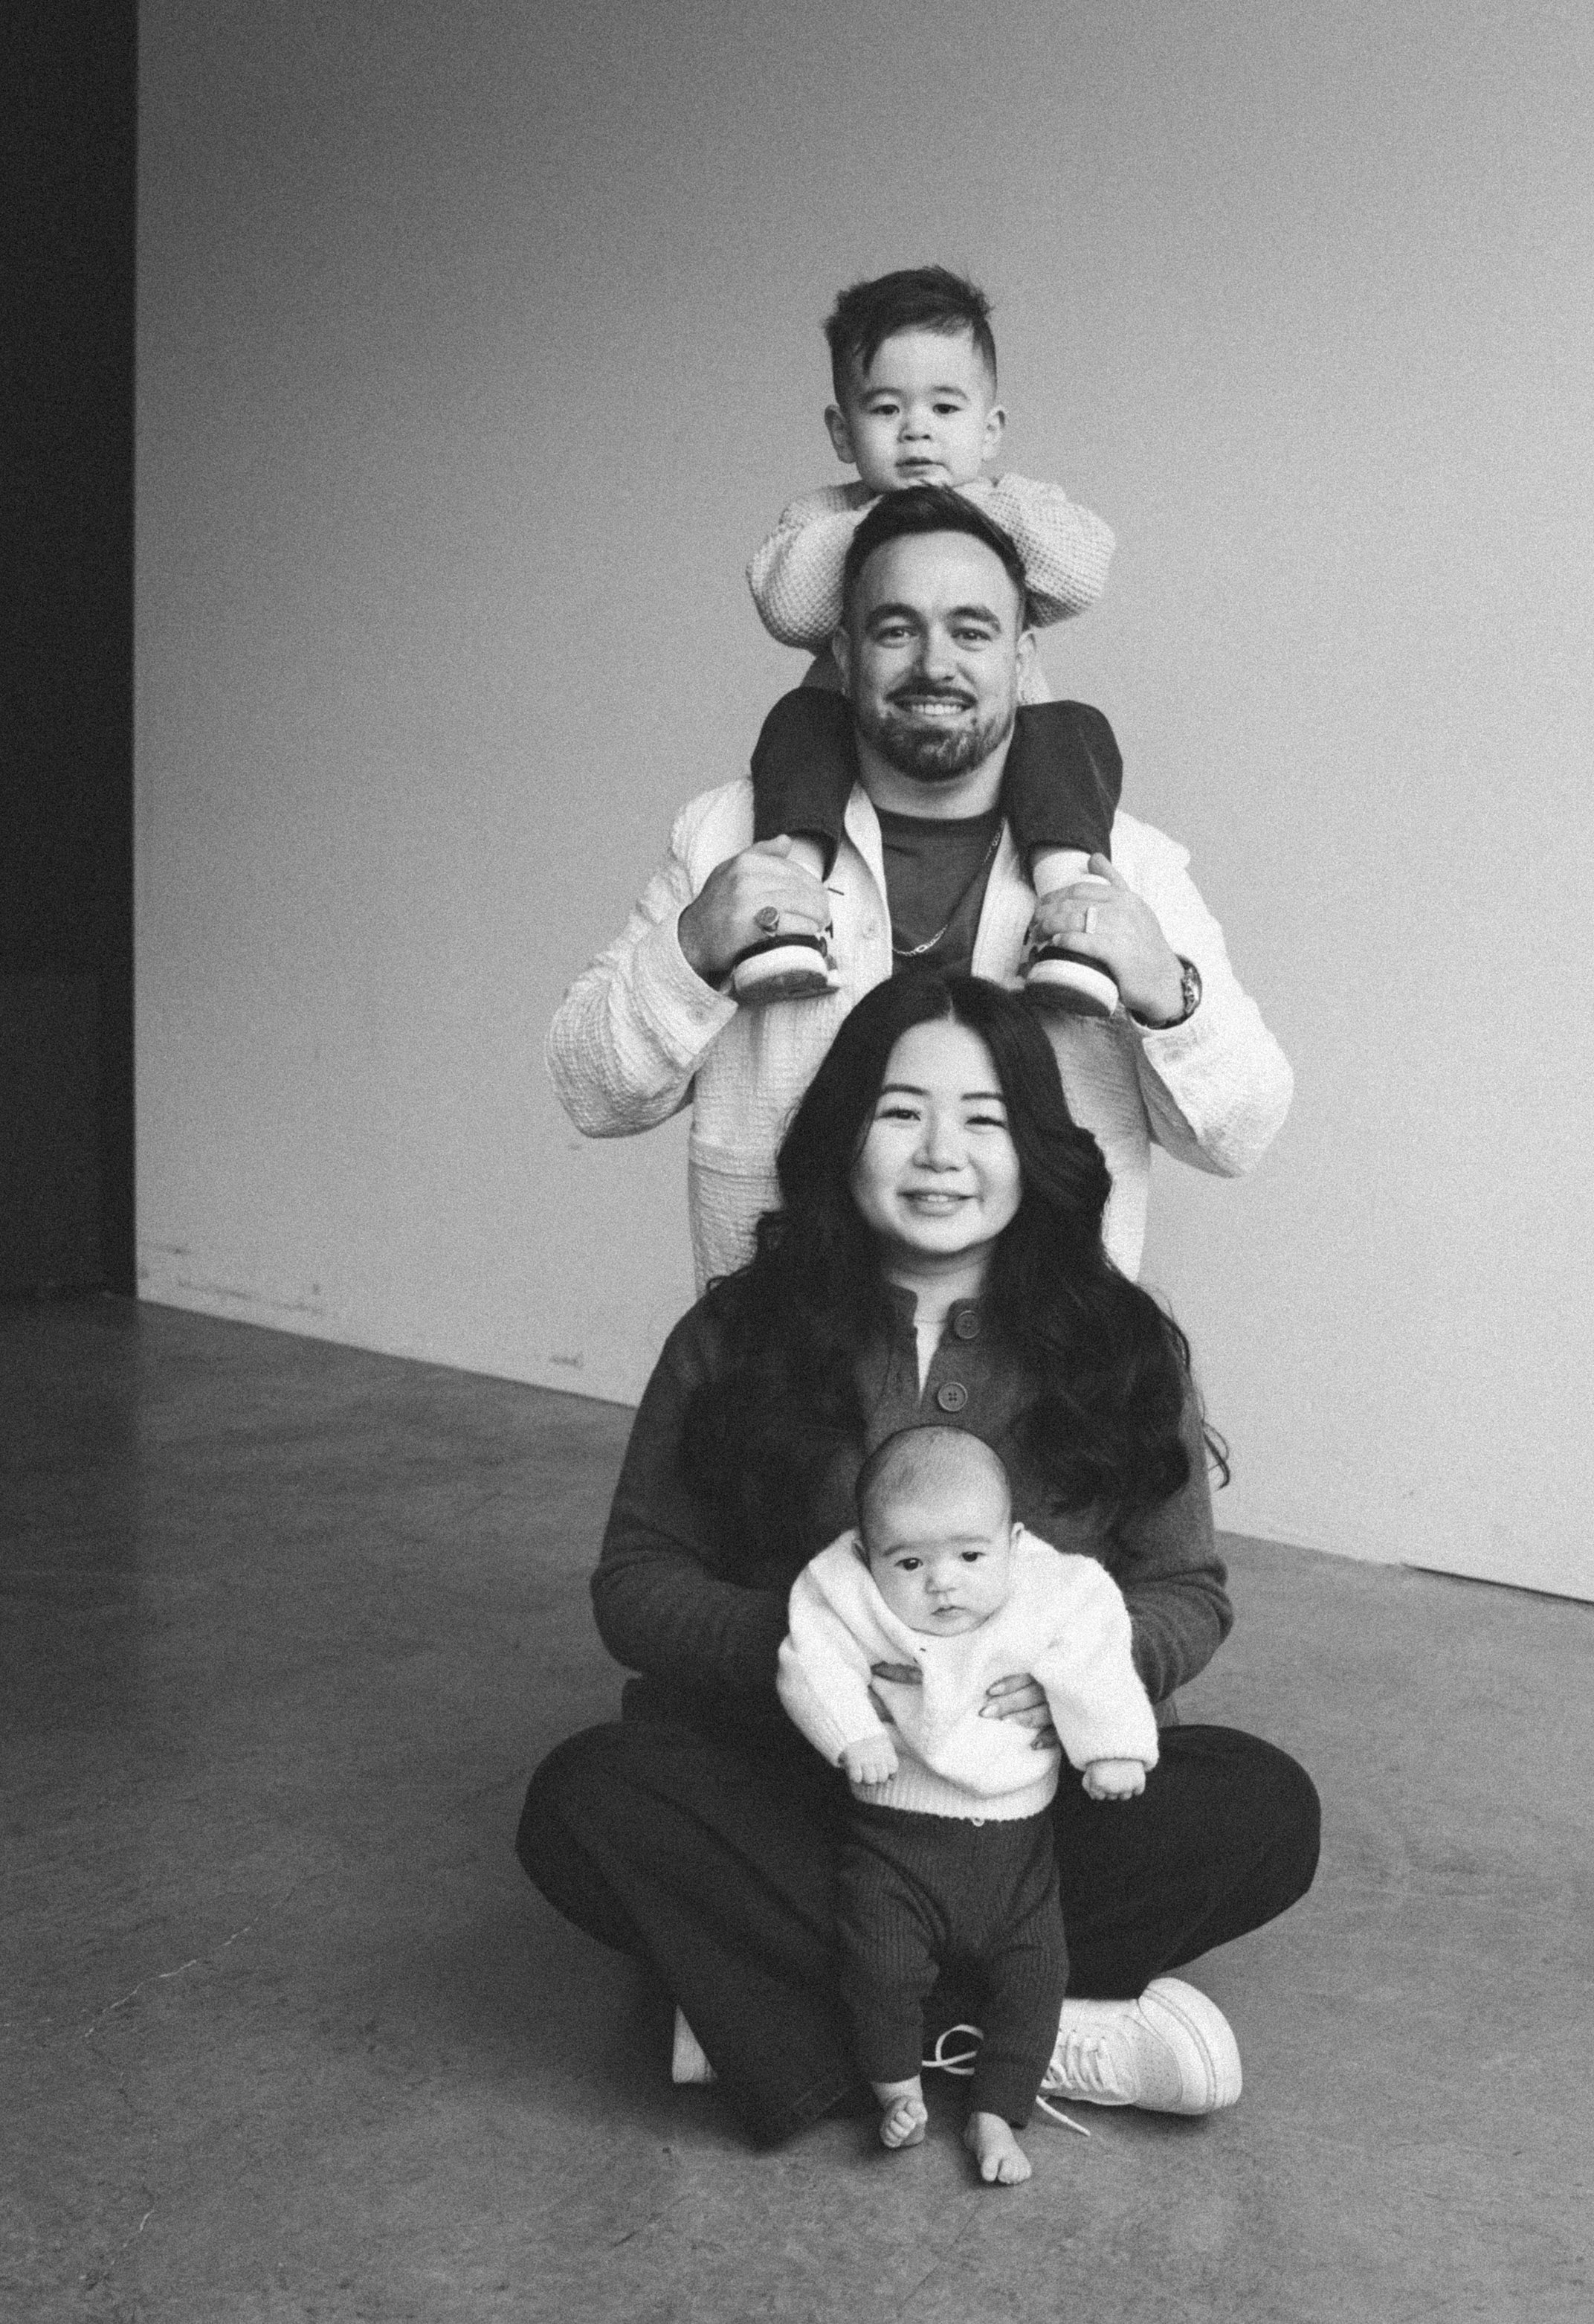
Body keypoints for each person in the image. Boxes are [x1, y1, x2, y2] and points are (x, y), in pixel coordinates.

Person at [517, 968, 1321, 2151]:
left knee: (1263, 1808)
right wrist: (818, 1658)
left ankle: (801, 2022)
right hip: (812, 1789)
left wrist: (1062, 1681)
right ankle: (1023, 2033)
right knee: (583, 1804)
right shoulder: (739, 1335)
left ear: (1036, 1146)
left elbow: (1187, 1592)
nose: (942, 1152)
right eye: (901, 1111)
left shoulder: (1119, 1344)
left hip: (1026, 1820)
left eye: (984, 1119)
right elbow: (636, 1583)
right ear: (845, 1133)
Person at [546, 486, 1294, 1290]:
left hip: (1051, 1374)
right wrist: (691, 949)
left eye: (971, 631)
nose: (935, 663)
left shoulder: (1128, 862)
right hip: (783, 1361)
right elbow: (592, 1093)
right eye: (896, 629)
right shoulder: (724, 837)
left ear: (1021, 655)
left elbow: (1239, 1135)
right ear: (842, 655)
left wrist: (1166, 990)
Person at [778, 1425, 1160, 2184]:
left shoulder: (1055, 1587)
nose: (943, 1583)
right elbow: (809, 1658)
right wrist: (851, 1732)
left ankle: (997, 2110)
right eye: (910, 1561)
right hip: (895, 1840)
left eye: (970, 1555)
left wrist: (1109, 1745)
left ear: (1014, 1540)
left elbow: (1096, 1658)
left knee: (1037, 1972)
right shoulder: (842, 1588)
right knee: (880, 1960)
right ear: (866, 1552)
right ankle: (897, 2086)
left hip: (1017, 1850)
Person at [740, 264, 1124, 1014]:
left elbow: (1080, 576)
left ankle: (1070, 906)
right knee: (794, 729)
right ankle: (791, 895)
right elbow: (787, 608)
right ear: (841, 431)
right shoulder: (822, 516)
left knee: (1074, 735)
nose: (916, 429)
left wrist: (974, 507)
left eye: (944, 407)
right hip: (857, 743)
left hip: (997, 744)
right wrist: (893, 518)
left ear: (990, 429)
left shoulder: (1013, 505)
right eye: (885, 408)